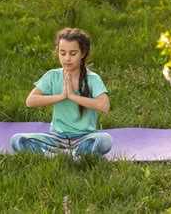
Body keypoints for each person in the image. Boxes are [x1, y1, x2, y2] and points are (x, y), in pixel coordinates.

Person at [10, 28, 112, 159]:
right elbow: (30, 101)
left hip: (85, 138)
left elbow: (104, 106)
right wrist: (62, 96)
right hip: (57, 138)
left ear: (83, 53)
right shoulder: (52, 76)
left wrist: (73, 97)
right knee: (18, 140)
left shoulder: (93, 79)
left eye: (73, 53)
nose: (67, 58)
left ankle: (64, 156)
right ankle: (71, 157)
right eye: (62, 53)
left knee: (104, 140)